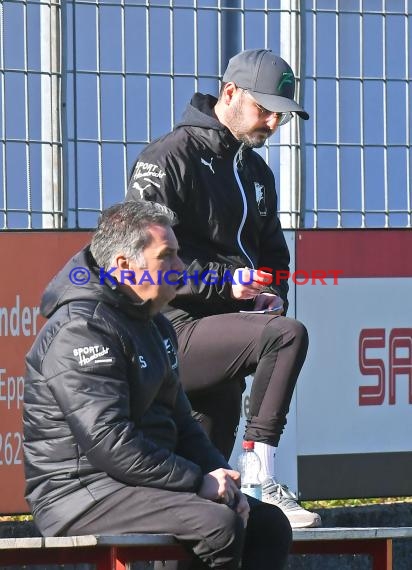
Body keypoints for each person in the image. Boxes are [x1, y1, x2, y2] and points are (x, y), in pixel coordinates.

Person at [23, 201, 292, 569]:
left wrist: (221, 477)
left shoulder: (155, 324)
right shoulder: (81, 329)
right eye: (167, 257)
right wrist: (196, 481)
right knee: (217, 526)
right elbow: (110, 442)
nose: (181, 268)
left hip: (135, 485)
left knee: (268, 524)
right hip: (81, 493)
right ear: (123, 266)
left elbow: (182, 422)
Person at [126, 49, 321, 528]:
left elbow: (274, 256)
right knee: (286, 334)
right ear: (230, 93)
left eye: (282, 115)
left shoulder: (257, 173)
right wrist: (225, 282)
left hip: (222, 341)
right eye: (264, 109)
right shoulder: (167, 157)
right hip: (169, 333)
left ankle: (236, 491)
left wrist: (269, 292)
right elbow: (143, 262)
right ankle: (259, 477)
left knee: (204, 506)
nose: (273, 123)